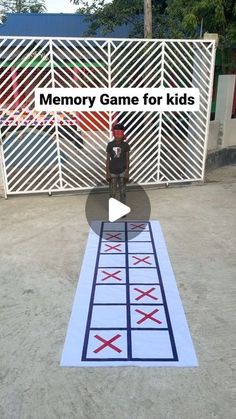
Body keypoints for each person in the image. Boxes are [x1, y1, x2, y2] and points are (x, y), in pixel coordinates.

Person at [106, 123, 130, 204]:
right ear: (113, 134)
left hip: (122, 171)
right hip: (112, 171)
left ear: (123, 134)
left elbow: (127, 159)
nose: (117, 136)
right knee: (112, 193)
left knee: (122, 192)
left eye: (119, 134)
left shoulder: (126, 145)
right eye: (116, 134)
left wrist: (127, 172)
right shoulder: (110, 145)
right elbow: (107, 159)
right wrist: (107, 172)